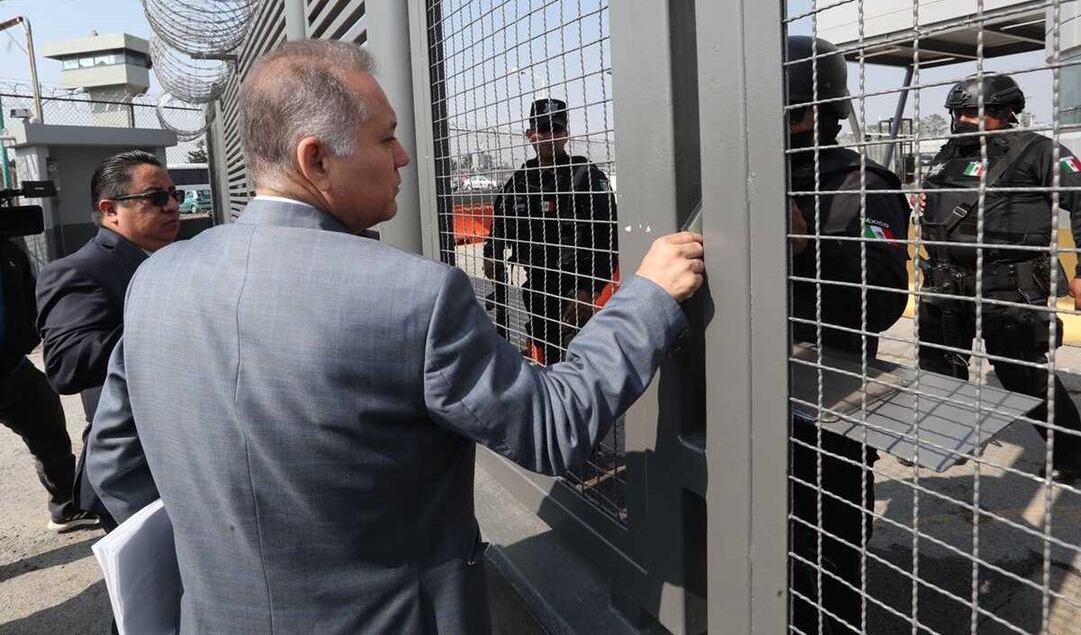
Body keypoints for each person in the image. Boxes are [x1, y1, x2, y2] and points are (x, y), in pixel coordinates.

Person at [85, 39, 703, 633]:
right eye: (385, 138)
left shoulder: (155, 279)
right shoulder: (414, 296)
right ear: (315, 159)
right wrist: (644, 297)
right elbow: (549, 428)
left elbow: (114, 461)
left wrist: (219, 547)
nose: (404, 156)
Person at [786, 36, 911, 634]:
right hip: (743, 394)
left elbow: (883, 302)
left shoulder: (864, 184)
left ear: (813, 110)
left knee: (827, 545)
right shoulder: (737, 176)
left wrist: (810, 248)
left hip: (830, 402)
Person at [919, 72, 1081, 482]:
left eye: (978, 114)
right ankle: (944, 443)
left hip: (1008, 284)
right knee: (939, 367)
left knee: (1022, 373)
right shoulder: (947, 152)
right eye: (960, 113)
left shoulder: (1039, 151)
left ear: (1008, 113)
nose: (966, 122)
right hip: (943, 282)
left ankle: (1074, 453)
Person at [35, 150, 181, 530]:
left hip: (183, 453)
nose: (172, 206)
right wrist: (172, 322)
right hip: (133, 472)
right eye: (156, 197)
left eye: (173, 193)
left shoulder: (173, 258)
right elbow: (66, 365)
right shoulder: (79, 271)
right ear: (110, 209)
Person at [482, 97, 616, 364]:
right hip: (538, 288)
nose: (549, 137)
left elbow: (609, 237)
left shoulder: (584, 176)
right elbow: (501, 223)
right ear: (530, 134)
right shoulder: (520, 181)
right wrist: (491, 252)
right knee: (547, 358)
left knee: (578, 362)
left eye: (556, 130)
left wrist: (589, 289)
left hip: (575, 290)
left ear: (566, 134)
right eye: (542, 130)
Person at [0, 235, 94, 532]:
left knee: (48, 429)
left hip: (11, 367)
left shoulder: (8, 251)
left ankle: (66, 505)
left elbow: (30, 299)